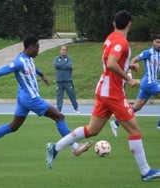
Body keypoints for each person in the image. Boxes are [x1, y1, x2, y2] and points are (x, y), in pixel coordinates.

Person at [45, 10, 160, 181]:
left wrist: (128, 67)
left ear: (114, 24)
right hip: (113, 93)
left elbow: (112, 63)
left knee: (93, 130)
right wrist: (128, 78)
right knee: (135, 130)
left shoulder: (110, 38)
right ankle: (145, 171)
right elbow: (112, 63)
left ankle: (55, 148)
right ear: (130, 24)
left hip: (103, 89)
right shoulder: (122, 42)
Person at [0, 35, 93, 159]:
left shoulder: (29, 58)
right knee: (59, 117)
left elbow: (33, 67)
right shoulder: (19, 62)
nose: (39, 51)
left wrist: (41, 74)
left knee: (13, 126)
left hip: (24, 98)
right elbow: (0, 72)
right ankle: (75, 146)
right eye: (37, 48)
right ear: (30, 47)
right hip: (31, 99)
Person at [110, 33, 160, 137]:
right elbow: (134, 59)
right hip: (149, 83)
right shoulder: (148, 52)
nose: (159, 44)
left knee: (136, 107)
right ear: (153, 42)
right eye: (157, 42)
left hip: (149, 83)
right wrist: (129, 73)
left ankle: (116, 123)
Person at [54, 45, 80, 114]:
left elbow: (69, 66)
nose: (63, 51)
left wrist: (61, 66)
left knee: (72, 95)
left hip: (68, 80)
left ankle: (76, 108)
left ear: (67, 51)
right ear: (60, 50)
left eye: (65, 50)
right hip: (59, 81)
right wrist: (64, 65)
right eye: (62, 49)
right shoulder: (57, 58)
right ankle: (59, 110)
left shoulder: (69, 58)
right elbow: (56, 65)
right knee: (59, 96)